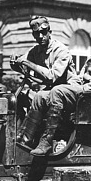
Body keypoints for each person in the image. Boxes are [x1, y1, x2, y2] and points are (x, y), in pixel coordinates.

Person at [29, 17, 91, 156]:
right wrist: (72, 85)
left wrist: (83, 88)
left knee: (57, 92)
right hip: (86, 96)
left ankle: (46, 141)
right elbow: (81, 78)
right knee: (40, 96)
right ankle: (26, 137)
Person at [11, 16, 78, 145]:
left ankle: (30, 139)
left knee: (40, 96)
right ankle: (20, 135)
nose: (40, 36)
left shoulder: (61, 50)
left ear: (49, 32)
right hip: (50, 90)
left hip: (67, 91)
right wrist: (14, 62)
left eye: (43, 33)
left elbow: (52, 76)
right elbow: (23, 64)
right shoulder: (36, 50)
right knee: (20, 97)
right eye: (37, 34)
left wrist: (27, 62)